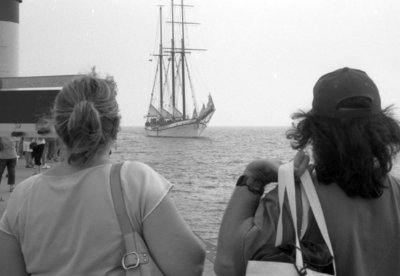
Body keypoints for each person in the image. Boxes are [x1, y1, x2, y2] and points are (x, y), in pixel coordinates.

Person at [0, 74, 205, 275]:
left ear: (58, 127)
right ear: (115, 127)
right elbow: (189, 264)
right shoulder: (134, 181)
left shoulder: (23, 195)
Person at [214, 67, 400, 276]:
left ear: (315, 131)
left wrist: (254, 176)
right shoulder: (396, 192)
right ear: (383, 128)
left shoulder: (293, 202)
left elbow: (227, 266)